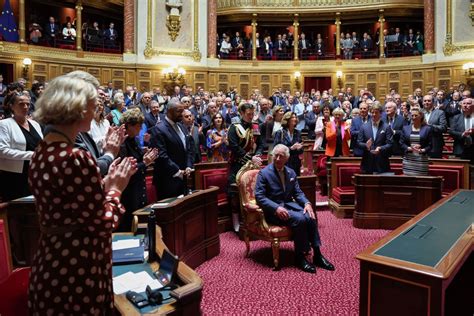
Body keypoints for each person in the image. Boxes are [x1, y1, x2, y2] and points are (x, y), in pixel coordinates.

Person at [28, 74, 137, 314]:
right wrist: (116, 189)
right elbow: (103, 223)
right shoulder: (75, 157)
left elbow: (71, 205)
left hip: (50, 262)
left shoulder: (42, 150)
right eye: (92, 105)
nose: (95, 110)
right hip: (78, 268)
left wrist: (102, 186)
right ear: (75, 108)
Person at [255, 144, 335, 273]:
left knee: (310, 216)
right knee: (300, 219)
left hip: (288, 206)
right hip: (273, 212)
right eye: (276, 155)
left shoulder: (290, 172)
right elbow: (260, 196)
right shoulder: (264, 173)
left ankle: (317, 254)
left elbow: (297, 193)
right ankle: (300, 257)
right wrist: (276, 208)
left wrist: (307, 203)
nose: (278, 158)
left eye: (281, 156)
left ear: (287, 158)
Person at [117, 108, 158, 231]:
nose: (141, 129)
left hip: (138, 190)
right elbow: (126, 171)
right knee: (129, 227)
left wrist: (143, 155)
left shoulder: (133, 139)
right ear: (129, 125)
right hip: (128, 194)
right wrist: (145, 162)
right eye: (139, 126)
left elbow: (137, 160)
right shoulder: (121, 143)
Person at [0, 92, 43, 201]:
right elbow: (2, 151)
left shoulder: (35, 124)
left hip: (34, 173)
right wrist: (31, 155)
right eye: (21, 104)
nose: (25, 107)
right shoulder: (5, 124)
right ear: (11, 106)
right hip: (14, 176)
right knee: (15, 212)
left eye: (28, 104)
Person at [228, 102, 264, 231]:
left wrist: (258, 154)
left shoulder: (255, 126)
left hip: (253, 164)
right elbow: (234, 146)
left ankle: (254, 220)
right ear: (241, 113)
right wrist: (250, 157)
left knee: (255, 191)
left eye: (253, 114)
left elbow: (260, 143)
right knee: (235, 193)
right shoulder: (234, 127)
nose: (251, 116)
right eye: (248, 114)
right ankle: (236, 221)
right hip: (237, 165)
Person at [149, 99, 194, 199]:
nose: (181, 114)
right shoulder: (159, 129)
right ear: (169, 111)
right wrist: (178, 171)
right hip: (167, 180)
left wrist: (188, 166)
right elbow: (161, 155)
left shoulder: (182, 127)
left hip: (183, 178)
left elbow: (188, 149)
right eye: (179, 111)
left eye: (182, 111)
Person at [356, 103, 393, 174]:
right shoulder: (364, 127)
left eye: (376, 112)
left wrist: (380, 148)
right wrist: (366, 145)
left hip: (381, 162)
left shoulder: (386, 127)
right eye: (372, 112)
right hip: (367, 162)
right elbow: (358, 142)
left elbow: (390, 144)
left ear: (381, 113)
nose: (374, 114)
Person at [399, 107, 432, 176]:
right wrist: (409, 148)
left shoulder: (427, 129)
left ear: (421, 116)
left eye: (416, 115)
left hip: (421, 160)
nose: (413, 117)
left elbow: (430, 145)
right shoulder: (406, 128)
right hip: (408, 160)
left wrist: (422, 150)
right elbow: (401, 143)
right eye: (412, 115)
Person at [449, 98, 473, 163]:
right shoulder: (456, 117)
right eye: (464, 103)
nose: (465, 105)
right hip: (460, 148)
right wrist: (462, 134)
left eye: (468, 104)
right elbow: (451, 131)